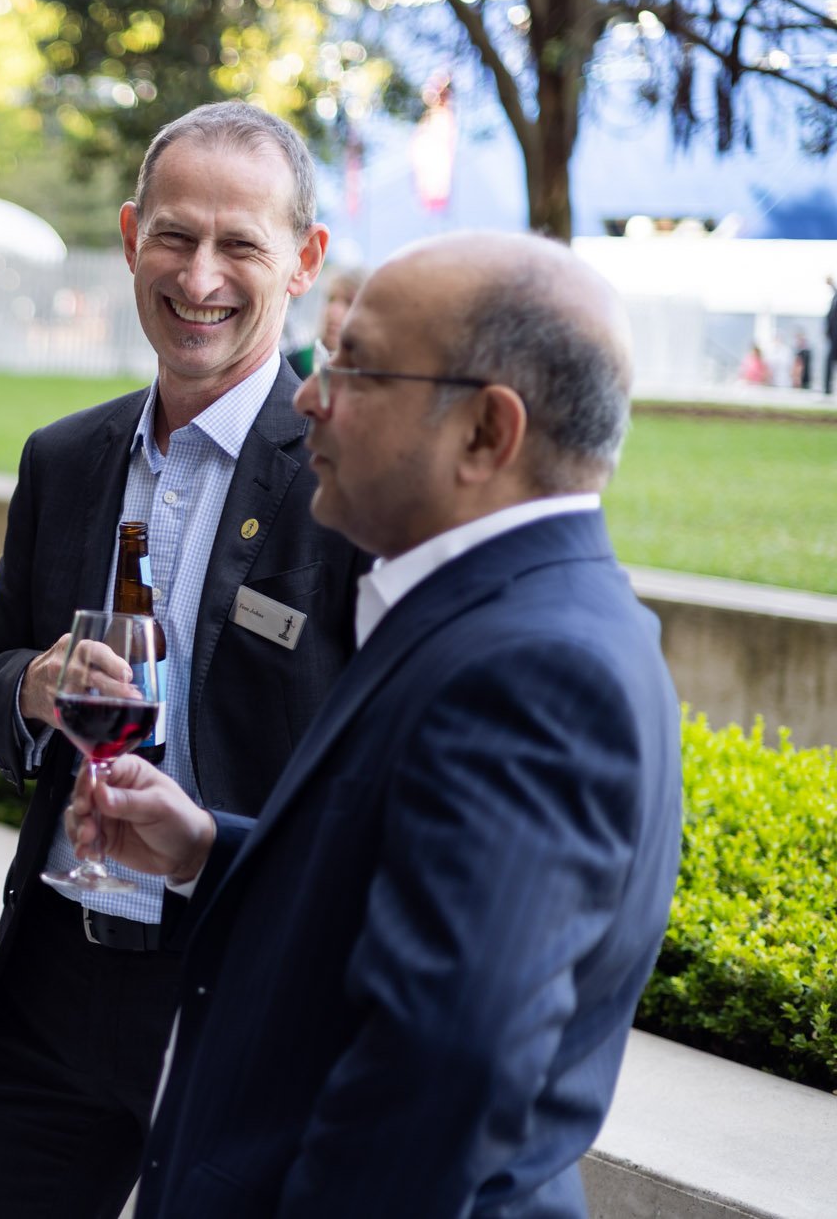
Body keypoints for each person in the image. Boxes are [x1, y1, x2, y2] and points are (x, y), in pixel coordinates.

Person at [76, 231, 683, 1217]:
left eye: (352, 366)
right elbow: (376, 898)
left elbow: (443, 1067)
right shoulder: (482, 616)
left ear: (486, 433)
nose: (307, 394)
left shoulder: (534, 669)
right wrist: (205, 851)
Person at [0, 103, 369, 1219]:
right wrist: (28, 689)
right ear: (129, 235)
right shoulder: (65, 456)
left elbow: (371, 775)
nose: (199, 276)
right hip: (53, 982)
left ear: (304, 261)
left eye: (240, 245)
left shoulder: (348, 487)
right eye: (173, 235)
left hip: (238, 993)